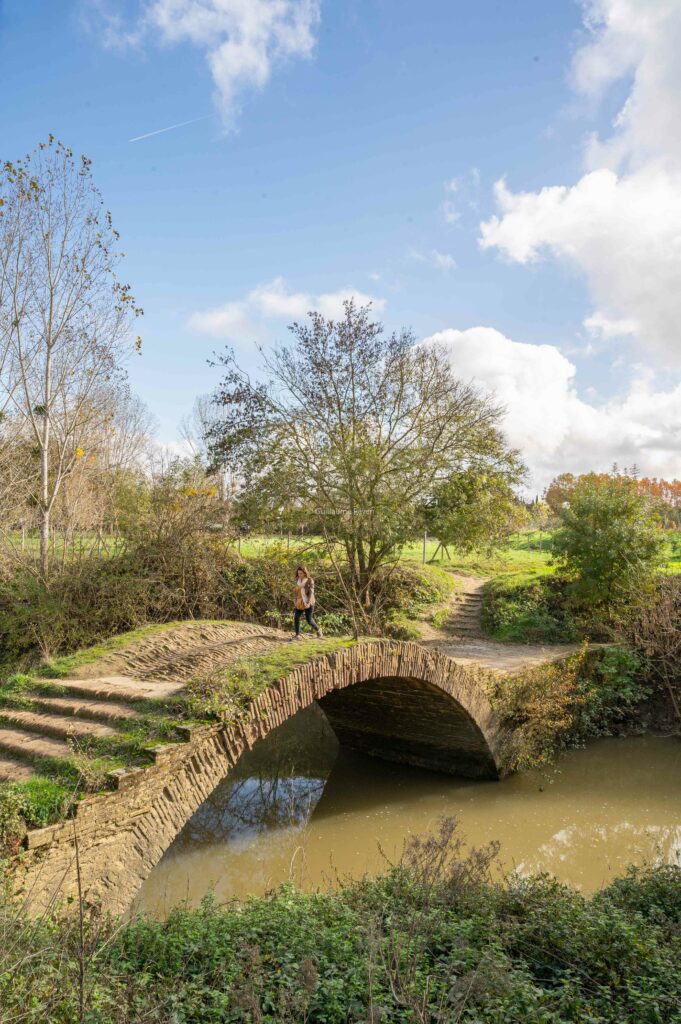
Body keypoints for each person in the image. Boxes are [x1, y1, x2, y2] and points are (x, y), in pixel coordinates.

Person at [292, 565, 323, 640]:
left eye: (301, 573)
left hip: (309, 602)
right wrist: (296, 601)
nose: (300, 575)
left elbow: (311, 592)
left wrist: (308, 602)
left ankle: (318, 630)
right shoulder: (297, 581)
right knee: (296, 617)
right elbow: (296, 592)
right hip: (300, 602)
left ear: (305, 573)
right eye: (299, 573)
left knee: (309, 620)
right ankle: (297, 635)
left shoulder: (310, 580)